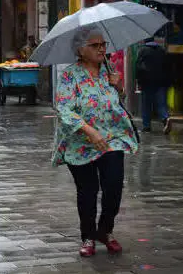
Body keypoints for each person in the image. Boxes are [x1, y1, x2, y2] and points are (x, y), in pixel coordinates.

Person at [53, 25, 139, 257]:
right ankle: (88, 236)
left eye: (103, 45)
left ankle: (105, 230)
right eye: (95, 45)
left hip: (112, 138)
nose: (102, 49)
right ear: (81, 50)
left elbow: (116, 102)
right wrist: (89, 130)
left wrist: (118, 86)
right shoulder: (70, 75)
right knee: (88, 192)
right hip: (80, 143)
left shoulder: (108, 70)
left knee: (113, 187)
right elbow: (64, 108)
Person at [136, 38, 171, 134]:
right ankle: (165, 118)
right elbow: (168, 66)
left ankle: (146, 126)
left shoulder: (143, 50)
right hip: (161, 82)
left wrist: (139, 81)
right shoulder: (161, 50)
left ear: (144, 41)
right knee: (161, 103)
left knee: (146, 104)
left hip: (147, 82)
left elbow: (138, 66)